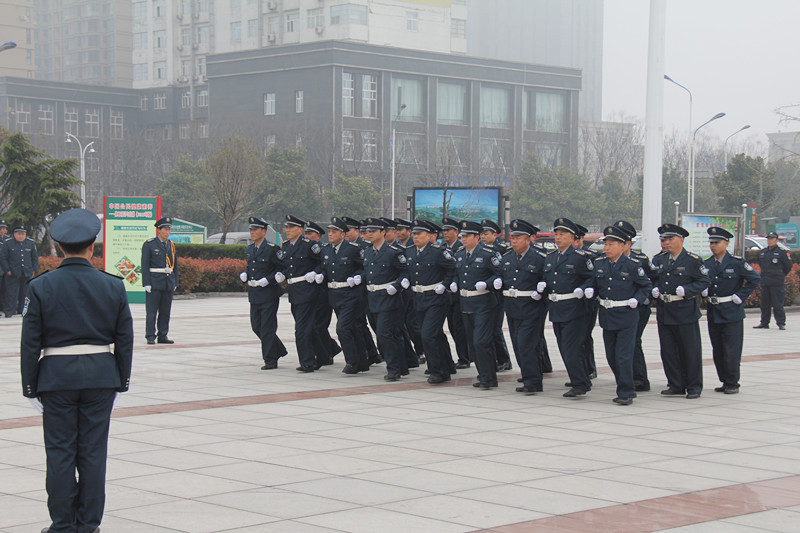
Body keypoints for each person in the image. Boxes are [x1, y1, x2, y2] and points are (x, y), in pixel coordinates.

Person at [20, 208, 133, 533]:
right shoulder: (112, 285)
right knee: (94, 452)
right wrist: (121, 382)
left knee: (60, 451)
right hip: (100, 376)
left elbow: (30, 343)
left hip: (56, 378)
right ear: (92, 248)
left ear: (58, 249)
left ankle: (62, 524)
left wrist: (31, 387)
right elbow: (124, 339)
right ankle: (88, 524)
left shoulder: (41, 286)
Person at [586, 225, 651, 405]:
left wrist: (637, 300)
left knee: (624, 355)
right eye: (605, 244)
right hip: (607, 315)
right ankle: (624, 384)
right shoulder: (599, 264)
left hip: (626, 315)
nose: (607, 248)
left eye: (611, 244)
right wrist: (589, 290)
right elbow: (592, 283)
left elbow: (646, 286)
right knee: (611, 356)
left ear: (623, 246)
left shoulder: (632, 266)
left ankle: (626, 391)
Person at [651, 223, 710, 399]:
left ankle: (693, 386)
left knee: (690, 350)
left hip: (684, 310)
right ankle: (675, 384)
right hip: (665, 309)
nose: (666, 242)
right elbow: (652, 279)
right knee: (668, 350)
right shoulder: (659, 260)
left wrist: (688, 290)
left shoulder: (692, 260)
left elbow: (703, 281)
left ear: (681, 240)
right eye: (664, 239)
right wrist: (654, 289)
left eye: (670, 239)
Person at [540, 218, 594, 398]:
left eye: (562, 234)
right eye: (556, 234)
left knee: (572, 348)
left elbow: (592, 278)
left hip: (574, 309)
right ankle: (579, 378)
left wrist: (583, 288)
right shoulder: (551, 257)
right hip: (556, 308)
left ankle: (581, 383)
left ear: (572, 238)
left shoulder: (580, 258)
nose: (558, 237)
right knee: (564, 347)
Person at [704, 227, 761, 394]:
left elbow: (754, 279)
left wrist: (740, 296)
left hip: (731, 311)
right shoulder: (707, 263)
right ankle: (724, 380)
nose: (713, 246)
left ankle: (732, 382)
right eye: (711, 242)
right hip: (714, 310)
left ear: (726, 243)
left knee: (731, 350)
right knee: (718, 349)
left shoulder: (736, 262)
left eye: (717, 242)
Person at [497, 219, 548, 394]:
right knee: (518, 345)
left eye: (519, 237)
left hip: (532, 308)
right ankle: (529, 374)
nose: (514, 240)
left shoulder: (540, 258)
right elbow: (500, 276)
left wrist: (542, 288)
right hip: (512, 307)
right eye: (513, 237)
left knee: (527, 344)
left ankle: (533, 381)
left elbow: (549, 279)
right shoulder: (507, 257)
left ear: (529, 240)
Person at [405, 220, 457, 383]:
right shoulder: (410, 251)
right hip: (419, 298)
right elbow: (408, 271)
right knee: (435, 334)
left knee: (428, 335)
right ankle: (447, 365)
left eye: (419, 234)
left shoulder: (438, 251)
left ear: (429, 236)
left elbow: (453, 269)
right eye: (414, 234)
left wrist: (445, 284)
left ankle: (438, 371)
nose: (415, 237)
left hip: (436, 298)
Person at [453, 220, 502, 389]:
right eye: (462, 236)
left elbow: (500, 274)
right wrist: (453, 283)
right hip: (466, 303)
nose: (463, 239)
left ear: (476, 237)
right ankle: (483, 374)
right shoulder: (459, 254)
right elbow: (456, 274)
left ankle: (489, 378)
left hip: (484, 303)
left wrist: (487, 283)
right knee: (473, 343)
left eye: (466, 236)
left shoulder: (488, 253)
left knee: (481, 341)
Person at [361, 217, 409, 381]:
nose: (370, 234)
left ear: (383, 232)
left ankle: (393, 369)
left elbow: (405, 273)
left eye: (373, 231)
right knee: (390, 334)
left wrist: (397, 286)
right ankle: (402, 366)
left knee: (384, 334)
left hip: (389, 299)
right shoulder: (367, 252)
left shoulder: (393, 252)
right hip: (372, 299)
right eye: (368, 232)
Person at [320, 217, 370, 374]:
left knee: (342, 328)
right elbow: (324, 268)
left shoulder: (353, 249)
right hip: (335, 295)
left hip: (351, 295)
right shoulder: (327, 250)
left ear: (342, 234)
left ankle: (352, 362)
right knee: (353, 328)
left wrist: (358, 277)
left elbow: (365, 268)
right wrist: (319, 274)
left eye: (334, 232)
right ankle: (363, 361)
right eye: (329, 232)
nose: (330, 234)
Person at [281, 215, 326, 372]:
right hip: (294, 293)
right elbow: (285, 266)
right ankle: (323, 355)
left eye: (291, 227)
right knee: (309, 327)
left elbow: (322, 261)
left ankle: (307, 361)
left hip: (307, 291)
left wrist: (315, 272)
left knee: (301, 329)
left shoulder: (309, 245)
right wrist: (281, 274)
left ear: (300, 230)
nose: (287, 230)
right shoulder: (286, 246)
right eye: (286, 227)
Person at [240, 217, 287, 370]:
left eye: (255, 230)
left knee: (267, 327)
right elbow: (251, 267)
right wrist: (245, 274)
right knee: (256, 326)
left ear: (264, 232)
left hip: (268, 293)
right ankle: (278, 349)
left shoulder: (272, 249)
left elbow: (282, 268)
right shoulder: (250, 249)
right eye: (251, 230)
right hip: (254, 292)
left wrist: (270, 279)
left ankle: (270, 359)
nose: (252, 233)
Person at [614, 219, 654, 392]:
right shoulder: (608, 260)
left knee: (634, 341)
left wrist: (644, 298)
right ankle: (627, 376)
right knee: (622, 345)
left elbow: (652, 280)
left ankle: (639, 378)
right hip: (618, 309)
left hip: (638, 308)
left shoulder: (641, 259)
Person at [304, 221, 342, 365]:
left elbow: (323, 266)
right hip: (312, 294)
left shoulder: (320, 249)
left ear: (318, 236)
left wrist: (316, 273)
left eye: (310, 234)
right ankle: (329, 350)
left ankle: (327, 352)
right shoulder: (307, 248)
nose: (307, 236)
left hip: (324, 293)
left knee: (318, 325)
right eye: (306, 233)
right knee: (315, 325)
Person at [480, 219, 513, 372]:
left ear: (495, 235)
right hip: (482, 296)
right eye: (481, 234)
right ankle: (492, 359)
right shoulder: (478, 249)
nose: (483, 237)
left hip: (497, 296)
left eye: (486, 234)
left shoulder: (502, 249)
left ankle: (504, 359)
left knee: (495, 329)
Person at [141, 217, 178, 344]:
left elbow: (175, 266)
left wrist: (175, 282)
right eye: (165, 229)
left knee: (165, 311)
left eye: (169, 230)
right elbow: (144, 265)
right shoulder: (149, 244)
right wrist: (146, 283)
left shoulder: (171, 245)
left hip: (168, 283)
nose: (167, 232)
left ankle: (163, 335)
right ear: (159, 230)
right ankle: (150, 335)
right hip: (154, 282)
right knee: (151, 312)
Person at [441, 217, 471, 369]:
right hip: (446, 295)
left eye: (448, 230)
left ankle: (464, 358)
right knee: (452, 326)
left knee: (460, 328)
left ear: (456, 232)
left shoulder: (461, 247)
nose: (445, 233)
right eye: (444, 230)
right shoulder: (442, 247)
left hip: (459, 295)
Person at [574, 223, 599, 381]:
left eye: (576, 239)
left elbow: (593, 278)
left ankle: (589, 367)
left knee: (584, 336)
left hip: (587, 303)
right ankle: (579, 369)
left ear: (581, 239)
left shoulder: (590, 256)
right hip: (571, 304)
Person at [755, 231, 792, 330]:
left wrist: (780, 275)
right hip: (766, 281)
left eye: (772, 239)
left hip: (777, 282)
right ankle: (764, 323)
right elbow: (761, 264)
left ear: (776, 240)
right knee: (764, 304)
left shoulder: (782, 252)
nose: (770, 241)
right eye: (768, 239)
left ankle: (781, 323)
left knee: (777, 304)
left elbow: (788, 266)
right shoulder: (763, 252)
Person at [2, 225, 39, 318]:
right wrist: (7, 270)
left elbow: (34, 257)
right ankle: (9, 311)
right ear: (14, 234)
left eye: (23, 234)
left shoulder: (30, 243)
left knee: (25, 293)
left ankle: (23, 310)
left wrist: (34, 269)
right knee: (11, 293)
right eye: (19, 234)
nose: (21, 236)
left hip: (26, 271)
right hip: (12, 272)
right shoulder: (8, 243)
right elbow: (3, 258)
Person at [0, 219, 8, 309]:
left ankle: (4, 307)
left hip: (7, 269)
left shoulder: (7, 240)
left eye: (4, 228)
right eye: (0, 228)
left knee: (6, 290)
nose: (2, 230)